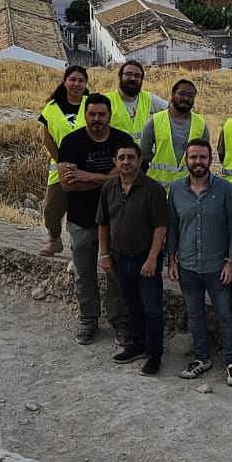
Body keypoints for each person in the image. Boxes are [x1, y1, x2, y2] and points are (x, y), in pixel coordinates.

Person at [56, 94, 135, 347]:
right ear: (85, 115)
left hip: (116, 222)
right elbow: (68, 185)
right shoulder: (71, 142)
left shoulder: (122, 141)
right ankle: (88, 320)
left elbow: (125, 179)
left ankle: (119, 321)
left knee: (116, 274)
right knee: (84, 274)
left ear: (110, 115)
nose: (97, 119)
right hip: (81, 220)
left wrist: (86, 176)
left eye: (102, 114)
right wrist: (105, 178)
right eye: (92, 114)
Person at [166, 141, 232, 386]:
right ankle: (202, 359)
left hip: (217, 267)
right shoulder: (176, 190)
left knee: (226, 316)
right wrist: (171, 260)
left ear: (211, 160)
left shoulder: (226, 190)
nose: (197, 162)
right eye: (193, 157)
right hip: (187, 265)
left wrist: (231, 262)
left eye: (202, 157)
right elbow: (173, 228)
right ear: (186, 160)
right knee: (195, 315)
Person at [97, 140, 169, 375]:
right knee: (131, 306)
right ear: (115, 162)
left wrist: (152, 259)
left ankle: (155, 354)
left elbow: (160, 227)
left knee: (152, 308)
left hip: (144, 260)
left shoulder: (153, 189)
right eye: (122, 158)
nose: (126, 162)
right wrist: (105, 254)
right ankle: (137, 345)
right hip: (119, 258)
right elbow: (103, 223)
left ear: (140, 160)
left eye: (131, 157)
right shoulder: (109, 188)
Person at [36, 65, 90, 258]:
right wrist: (62, 162)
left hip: (88, 167)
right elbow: (47, 138)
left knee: (86, 211)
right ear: (65, 81)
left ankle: (88, 249)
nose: (76, 84)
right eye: (72, 79)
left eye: (81, 80)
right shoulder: (51, 107)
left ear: (86, 84)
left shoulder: (91, 104)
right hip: (59, 167)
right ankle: (55, 239)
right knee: (51, 208)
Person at [139, 78, 209, 186]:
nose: (186, 98)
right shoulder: (155, 121)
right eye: (182, 93)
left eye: (191, 95)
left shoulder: (201, 124)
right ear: (172, 94)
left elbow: (205, 156)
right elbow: (144, 152)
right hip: (158, 187)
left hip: (188, 188)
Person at [106, 60, 165, 140]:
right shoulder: (107, 100)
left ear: (141, 80)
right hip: (117, 152)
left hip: (142, 152)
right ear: (120, 76)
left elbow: (172, 111)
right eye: (128, 74)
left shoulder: (149, 98)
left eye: (137, 76)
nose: (133, 78)